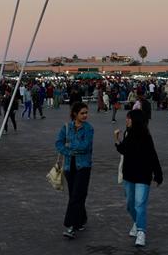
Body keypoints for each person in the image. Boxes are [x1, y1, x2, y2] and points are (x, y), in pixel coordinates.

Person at [114, 109, 162, 247]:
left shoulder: (146, 136)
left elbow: (153, 155)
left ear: (135, 120)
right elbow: (124, 150)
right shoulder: (128, 133)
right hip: (129, 174)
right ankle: (137, 222)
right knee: (130, 205)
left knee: (139, 204)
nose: (126, 120)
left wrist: (158, 174)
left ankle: (141, 231)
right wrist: (117, 140)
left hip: (143, 175)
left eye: (129, 118)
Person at [56, 102, 94, 239]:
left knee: (77, 195)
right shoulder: (66, 127)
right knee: (75, 195)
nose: (85, 115)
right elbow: (58, 143)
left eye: (86, 113)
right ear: (75, 114)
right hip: (69, 167)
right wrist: (68, 151)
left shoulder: (89, 129)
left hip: (83, 166)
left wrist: (70, 146)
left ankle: (71, 225)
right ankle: (81, 219)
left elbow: (85, 146)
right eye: (82, 113)